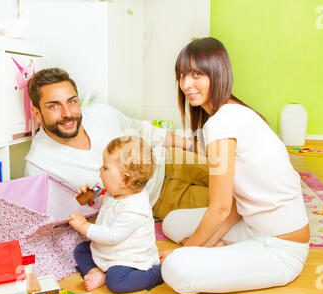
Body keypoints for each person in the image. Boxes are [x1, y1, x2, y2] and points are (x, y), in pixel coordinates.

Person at [159, 37, 310, 294]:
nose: (186, 84)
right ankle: (221, 252)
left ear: (218, 73)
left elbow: (219, 208)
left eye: (197, 74)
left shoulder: (222, 123)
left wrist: (186, 251)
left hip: (281, 248)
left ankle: (219, 255)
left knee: (175, 267)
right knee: (172, 222)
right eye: (182, 75)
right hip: (253, 226)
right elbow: (234, 204)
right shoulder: (232, 111)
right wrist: (205, 243)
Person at [25, 67, 209, 219]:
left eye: (72, 101)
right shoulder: (39, 167)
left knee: (235, 179)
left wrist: (193, 146)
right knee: (230, 208)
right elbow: (60, 221)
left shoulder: (101, 114)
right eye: (53, 106)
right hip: (164, 199)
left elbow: (147, 131)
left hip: (172, 159)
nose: (67, 113)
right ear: (36, 113)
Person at [68, 136, 163, 293]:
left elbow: (112, 236)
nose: (100, 170)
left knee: (116, 281)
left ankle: (157, 273)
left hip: (128, 259)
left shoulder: (135, 208)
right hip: (108, 251)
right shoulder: (116, 193)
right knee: (81, 249)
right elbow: (107, 208)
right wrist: (90, 198)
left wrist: (84, 226)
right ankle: (96, 272)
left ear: (124, 180)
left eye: (105, 168)